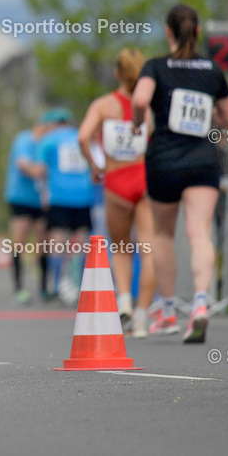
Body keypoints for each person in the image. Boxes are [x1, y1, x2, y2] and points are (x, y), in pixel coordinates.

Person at [131, 5, 228, 344]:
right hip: (203, 159)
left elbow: (140, 99)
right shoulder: (211, 69)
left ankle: (168, 311)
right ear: (199, 31)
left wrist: (137, 123)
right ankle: (202, 304)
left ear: (168, 32)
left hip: (163, 159)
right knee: (199, 233)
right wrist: (210, 119)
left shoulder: (156, 66)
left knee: (162, 234)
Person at [78, 48, 156, 338]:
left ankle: (123, 300)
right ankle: (142, 316)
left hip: (116, 180)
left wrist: (94, 165)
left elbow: (83, 136)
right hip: (144, 178)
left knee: (121, 247)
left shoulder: (103, 105)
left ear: (116, 73)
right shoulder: (150, 106)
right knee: (148, 249)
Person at [33, 108, 95, 305]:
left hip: (59, 196)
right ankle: (78, 283)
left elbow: (41, 170)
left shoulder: (49, 140)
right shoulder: (82, 137)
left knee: (57, 241)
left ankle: (57, 284)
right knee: (80, 241)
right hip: (83, 196)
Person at [3, 123, 48, 304]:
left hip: (41, 200)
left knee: (43, 243)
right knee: (19, 242)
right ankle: (19, 287)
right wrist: (40, 171)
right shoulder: (24, 139)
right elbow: (22, 164)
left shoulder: (47, 142)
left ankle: (44, 287)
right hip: (20, 198)